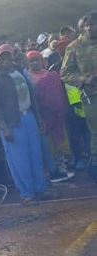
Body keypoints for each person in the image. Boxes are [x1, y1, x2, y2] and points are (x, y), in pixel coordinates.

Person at [0, 44, 52, 205]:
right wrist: (4, 127)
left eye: (9, 55)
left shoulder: (20, 71)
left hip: (29, 117)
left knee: (35, 156)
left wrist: (38, 119)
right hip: (12, 123)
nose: (6, 59)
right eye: (3, 56)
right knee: (20, 160)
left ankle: (40, 189)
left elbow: (32, 97)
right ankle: (27, 194)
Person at [26, 50, 74, 182]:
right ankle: (52, 170)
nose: (35, 63)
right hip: (42, 118)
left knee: (60, 141)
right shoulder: (27, 78)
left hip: (57, 117)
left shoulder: (51, 75)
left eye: (37, 60)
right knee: (46, 145)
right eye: (31, 61)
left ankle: (63, 167)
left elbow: (59, 96)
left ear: (42, 61)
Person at [61, 11, 97, 182]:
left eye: (93, 24)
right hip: (92, 96)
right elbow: (65, 73)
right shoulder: (74, 46)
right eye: (87, 25)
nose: (90, 27)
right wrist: (83, 79)